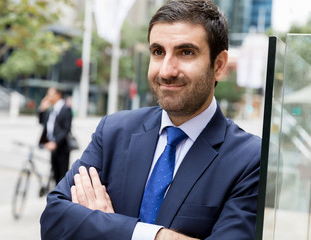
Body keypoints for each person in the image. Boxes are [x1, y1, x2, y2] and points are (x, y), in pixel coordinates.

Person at [40, 0, 261, 239]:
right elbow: (54, 220)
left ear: (219, 66)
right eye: (158, 52)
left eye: (186, 52)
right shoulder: (113, 131)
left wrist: (112, 226)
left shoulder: (249, 159)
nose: (166, 71)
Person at [38, 87, 73, 184]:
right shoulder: (52, 109)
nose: (47, 97)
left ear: (58, 95)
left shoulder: (66, 108)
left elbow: (66, 129)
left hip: (61, 147)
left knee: (62, 176)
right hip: (51, 146)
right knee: (55, 174)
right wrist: (42, 110)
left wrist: (55, 142)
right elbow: (43, 123)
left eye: (50, 95)